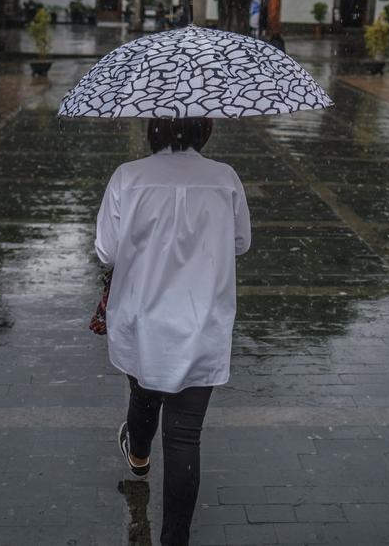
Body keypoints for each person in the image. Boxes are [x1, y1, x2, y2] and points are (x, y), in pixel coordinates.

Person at [95, 118, 251, 546]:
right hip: (202, 321)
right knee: (184, 435)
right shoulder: (225, 179)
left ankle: (139, 453)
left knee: (144, 392)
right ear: (205, 129)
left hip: (142, 317)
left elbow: (106, 251)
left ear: (154, 129)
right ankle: (174, 539)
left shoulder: (128, 177)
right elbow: (241, 242)